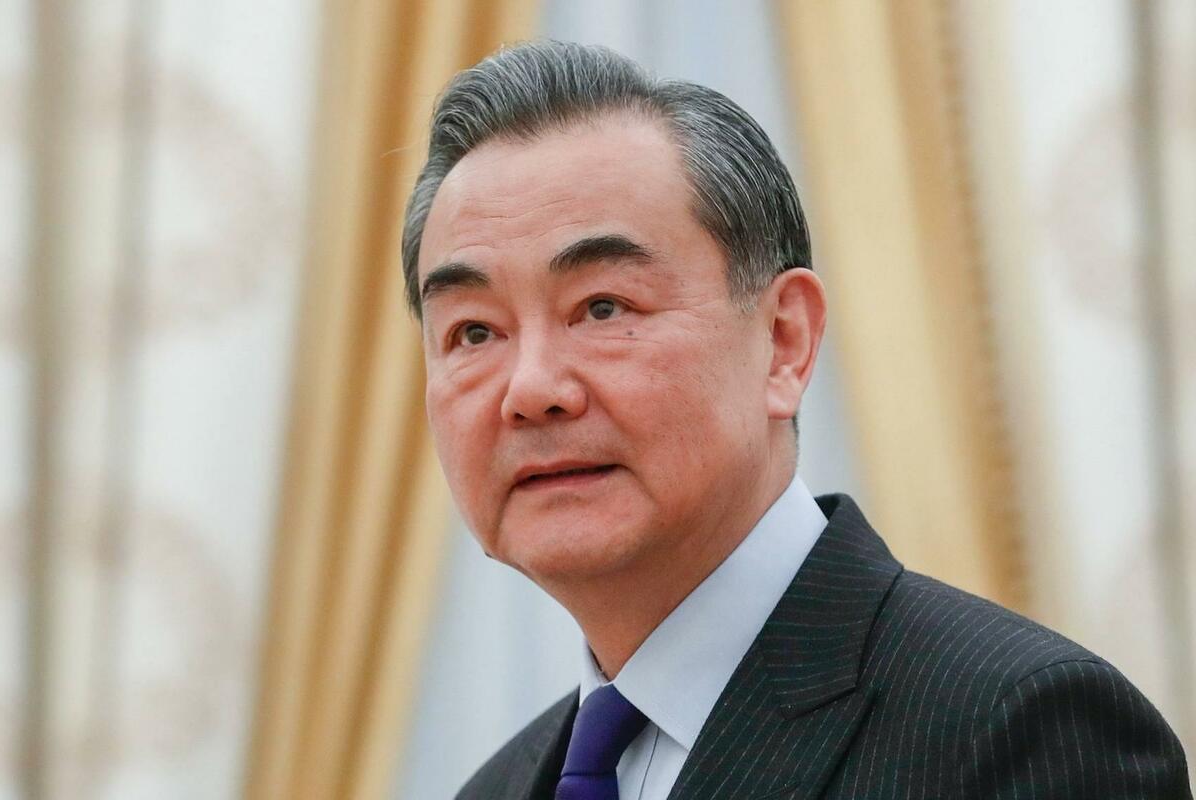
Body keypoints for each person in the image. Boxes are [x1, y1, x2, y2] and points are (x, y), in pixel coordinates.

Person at [402, 40, 1191, 799]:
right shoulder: (498, 788)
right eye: (474, 332)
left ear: (784, 341)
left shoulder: (1021, 730)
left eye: (603, 307)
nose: (531, 389)